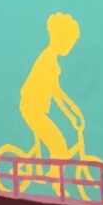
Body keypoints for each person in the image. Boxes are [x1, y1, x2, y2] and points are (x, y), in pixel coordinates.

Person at [19, 13, 83, 168]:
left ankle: (50, 174)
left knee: (55, 143)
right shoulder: (48, 61)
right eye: (70, 42)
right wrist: (72, 113)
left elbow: (57, 91)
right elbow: (56, 94)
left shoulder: (51, 60)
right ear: (60, 39)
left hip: (37, 109)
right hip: (32, 109)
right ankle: (54, 179)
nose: (70, 46)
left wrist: (73, 111)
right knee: (58, 145)